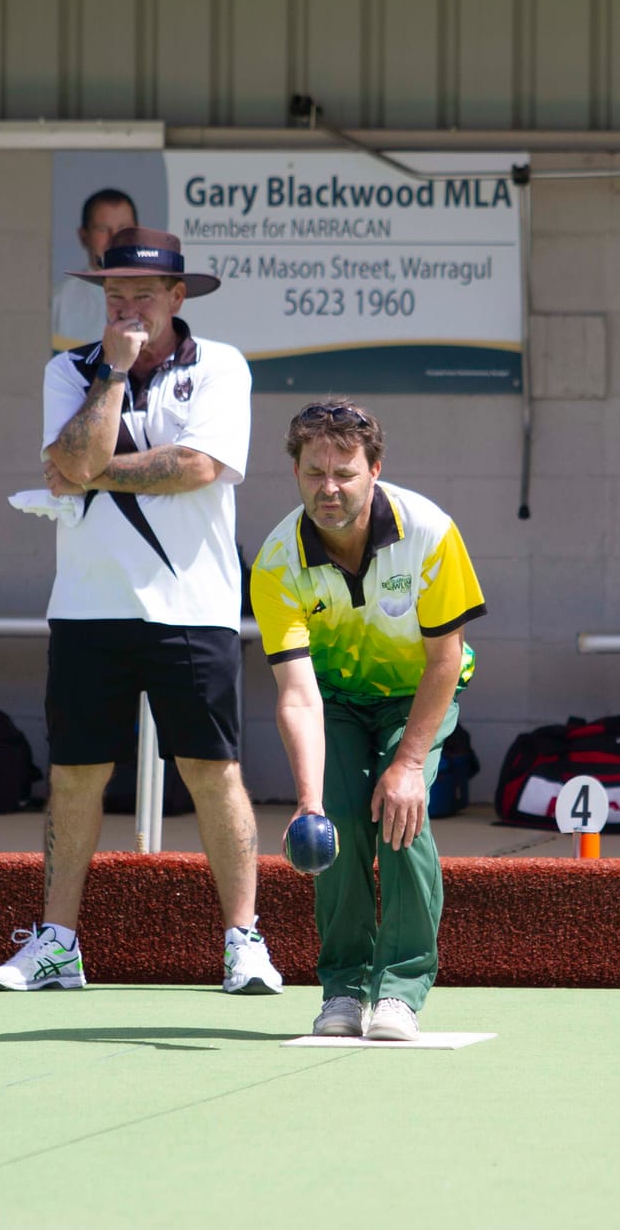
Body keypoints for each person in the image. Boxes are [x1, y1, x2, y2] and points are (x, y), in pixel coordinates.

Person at [0, 226, 281, 996]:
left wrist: (86, 470)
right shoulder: (71, 368)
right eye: (113, 295)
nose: (126, 308)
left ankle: (243, 940)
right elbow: (78, 455)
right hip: (88, 607)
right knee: (77, 774)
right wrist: (111, 374)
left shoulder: (222, 366)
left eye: (142, 294)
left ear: (178, 297)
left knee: (213, 772)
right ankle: (56, 943)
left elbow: (197, 467)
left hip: (196, 603)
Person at [249, 401, 487, 1041]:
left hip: (418, 692)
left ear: (374, 469)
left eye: (345, 472)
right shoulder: (276, 562)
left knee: (400, 812)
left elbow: (446, 657)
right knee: (339, 817)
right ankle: (344, 991)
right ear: (295, 473)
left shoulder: (430, 533)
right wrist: (306, 802)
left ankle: (401, 992)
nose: (329, 488)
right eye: (313, 472)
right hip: (335, 699)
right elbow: (297, 694)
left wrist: (408, 764)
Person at [50, 188, 139, 352]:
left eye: (123, 228)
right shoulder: (60, 301)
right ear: (84, 236)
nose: (114, 238)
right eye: (102, 229)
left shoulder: (158, 298)